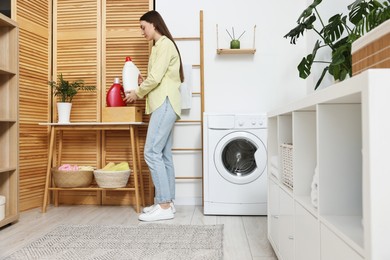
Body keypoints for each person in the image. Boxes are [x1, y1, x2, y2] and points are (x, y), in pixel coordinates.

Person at [124, 10, 184, 222]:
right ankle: (168, 202)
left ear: (153, 24)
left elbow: (157, 78)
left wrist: (137, 92)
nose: (142, 32)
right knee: (164, 155)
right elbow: (159, 75)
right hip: (168, 103)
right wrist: (145, 80)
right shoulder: (160, 47)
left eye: (143, 27)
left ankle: (164, 204)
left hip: (164, 103)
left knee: (151, 151)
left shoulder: (164, 44)